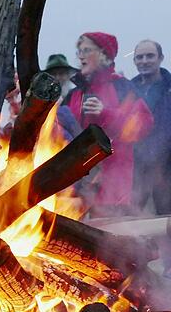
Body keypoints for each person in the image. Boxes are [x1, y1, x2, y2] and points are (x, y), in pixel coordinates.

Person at [65, 32, 153, 218]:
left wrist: (105, 112)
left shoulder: (122, 87)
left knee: (112, 240)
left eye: (87, 50)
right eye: (79, 51)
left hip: (114, 185)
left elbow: (142, 124)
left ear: (104, 54)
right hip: (77, 183)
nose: (80, 55)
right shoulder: (75, 93)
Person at [131, 40, 171, 215]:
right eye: (139, 57)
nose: (144, 61)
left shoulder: (169, 87)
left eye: (150, 56)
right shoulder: (128, 90)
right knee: (130, 215)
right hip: (137, 166)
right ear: (134, 61)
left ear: (161, 58)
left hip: (167, 165)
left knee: (167, 214)